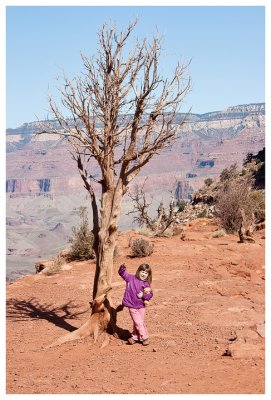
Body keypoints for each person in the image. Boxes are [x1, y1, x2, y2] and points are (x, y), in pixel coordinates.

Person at [118, 263, 153, 346]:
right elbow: (122, 274)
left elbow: (150, 294)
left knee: (138, 322)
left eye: (146, 273)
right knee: (138, 322)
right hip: (132, 305)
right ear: (138, 271)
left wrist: (143, 295)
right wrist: (122, 268)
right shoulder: (130, 278)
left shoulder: (146, 284)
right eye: (142, 272)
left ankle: (135, 337)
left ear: (148, 275)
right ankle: (145, 338)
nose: (143, 274)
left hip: (141, 306)